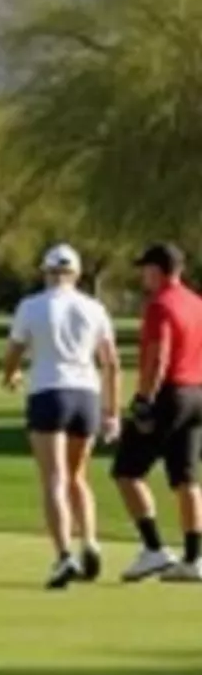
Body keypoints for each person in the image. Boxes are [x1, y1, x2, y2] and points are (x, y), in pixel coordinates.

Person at [2, 243, 121, 589]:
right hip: (86, 395)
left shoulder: (31, 306)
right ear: (77, 274)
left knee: (54, 478)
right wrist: (112, 412)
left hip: (48, 392)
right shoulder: (94, 308)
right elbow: (111, 363)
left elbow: (13, 352)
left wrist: (10, 375)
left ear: (45, 273)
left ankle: (64, 555)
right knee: (78, 476)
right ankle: (91, 541)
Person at [111, 243, 202, 583]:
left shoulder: (160, 305)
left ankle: (154, 549)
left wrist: (144, 399)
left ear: (158, 270)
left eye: (145, 268)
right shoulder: (197, 303)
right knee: (186, 479)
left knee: (126, 472)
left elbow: (158, 356)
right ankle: (194, 558)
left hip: (168, 393)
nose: (142, 275)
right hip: (196, 394)